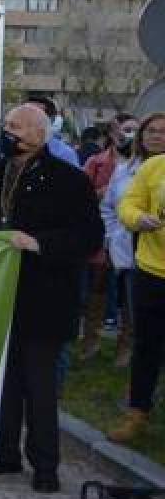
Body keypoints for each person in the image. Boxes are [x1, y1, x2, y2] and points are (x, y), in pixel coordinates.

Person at [0, 104, 103, 493]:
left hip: (46, 295)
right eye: (6, 126)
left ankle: (44, 465)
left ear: (41, 133)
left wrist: (39, 243)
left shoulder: (69, 180)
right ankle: (1, 453)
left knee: (39, 386)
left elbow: (88, 236)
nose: (10, 134)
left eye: (18, 127)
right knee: (1, 381)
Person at [109, 112, 165, 442]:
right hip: (151, 270)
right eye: (154, 131)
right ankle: (137, 412)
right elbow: (126, 205)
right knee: (146, 346)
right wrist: (137, 218)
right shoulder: (152, 168)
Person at [96, 114, 154, 371]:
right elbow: (108, 207)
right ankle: (132, 358)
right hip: (132, 253)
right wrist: (112, 236)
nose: (157, 136)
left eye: (163, 131)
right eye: (151, 131)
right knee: (135, 312)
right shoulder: (124, 171)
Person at [25, 96, 80, 168]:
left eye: (34, 115)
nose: (27, 119)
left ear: (51, 119)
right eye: (23, 114)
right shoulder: (11, 149)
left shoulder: (65, 154)